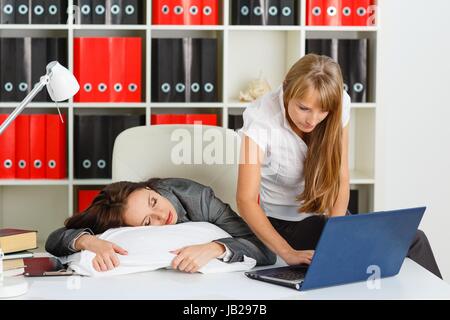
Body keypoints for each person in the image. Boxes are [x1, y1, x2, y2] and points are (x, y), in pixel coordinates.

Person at [236, 53, 442, 278]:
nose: (312, 120)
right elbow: (245, 200)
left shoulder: (339, 102)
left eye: (322, 111)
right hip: (285, 226)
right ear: (287, 89)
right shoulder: (259, 121)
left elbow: (341, 177)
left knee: (414, 241)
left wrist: (337, 236)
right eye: (304, 108)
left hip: (329, 217)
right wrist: (288, 252)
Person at [45, 178, 276, 273]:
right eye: (147, 222)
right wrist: (88, 240)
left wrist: (216, 248)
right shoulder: (121, 218)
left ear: (149, 189)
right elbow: (55, 240)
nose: (161, 215)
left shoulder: (200, 199)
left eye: (153, 202)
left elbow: (264, 250)